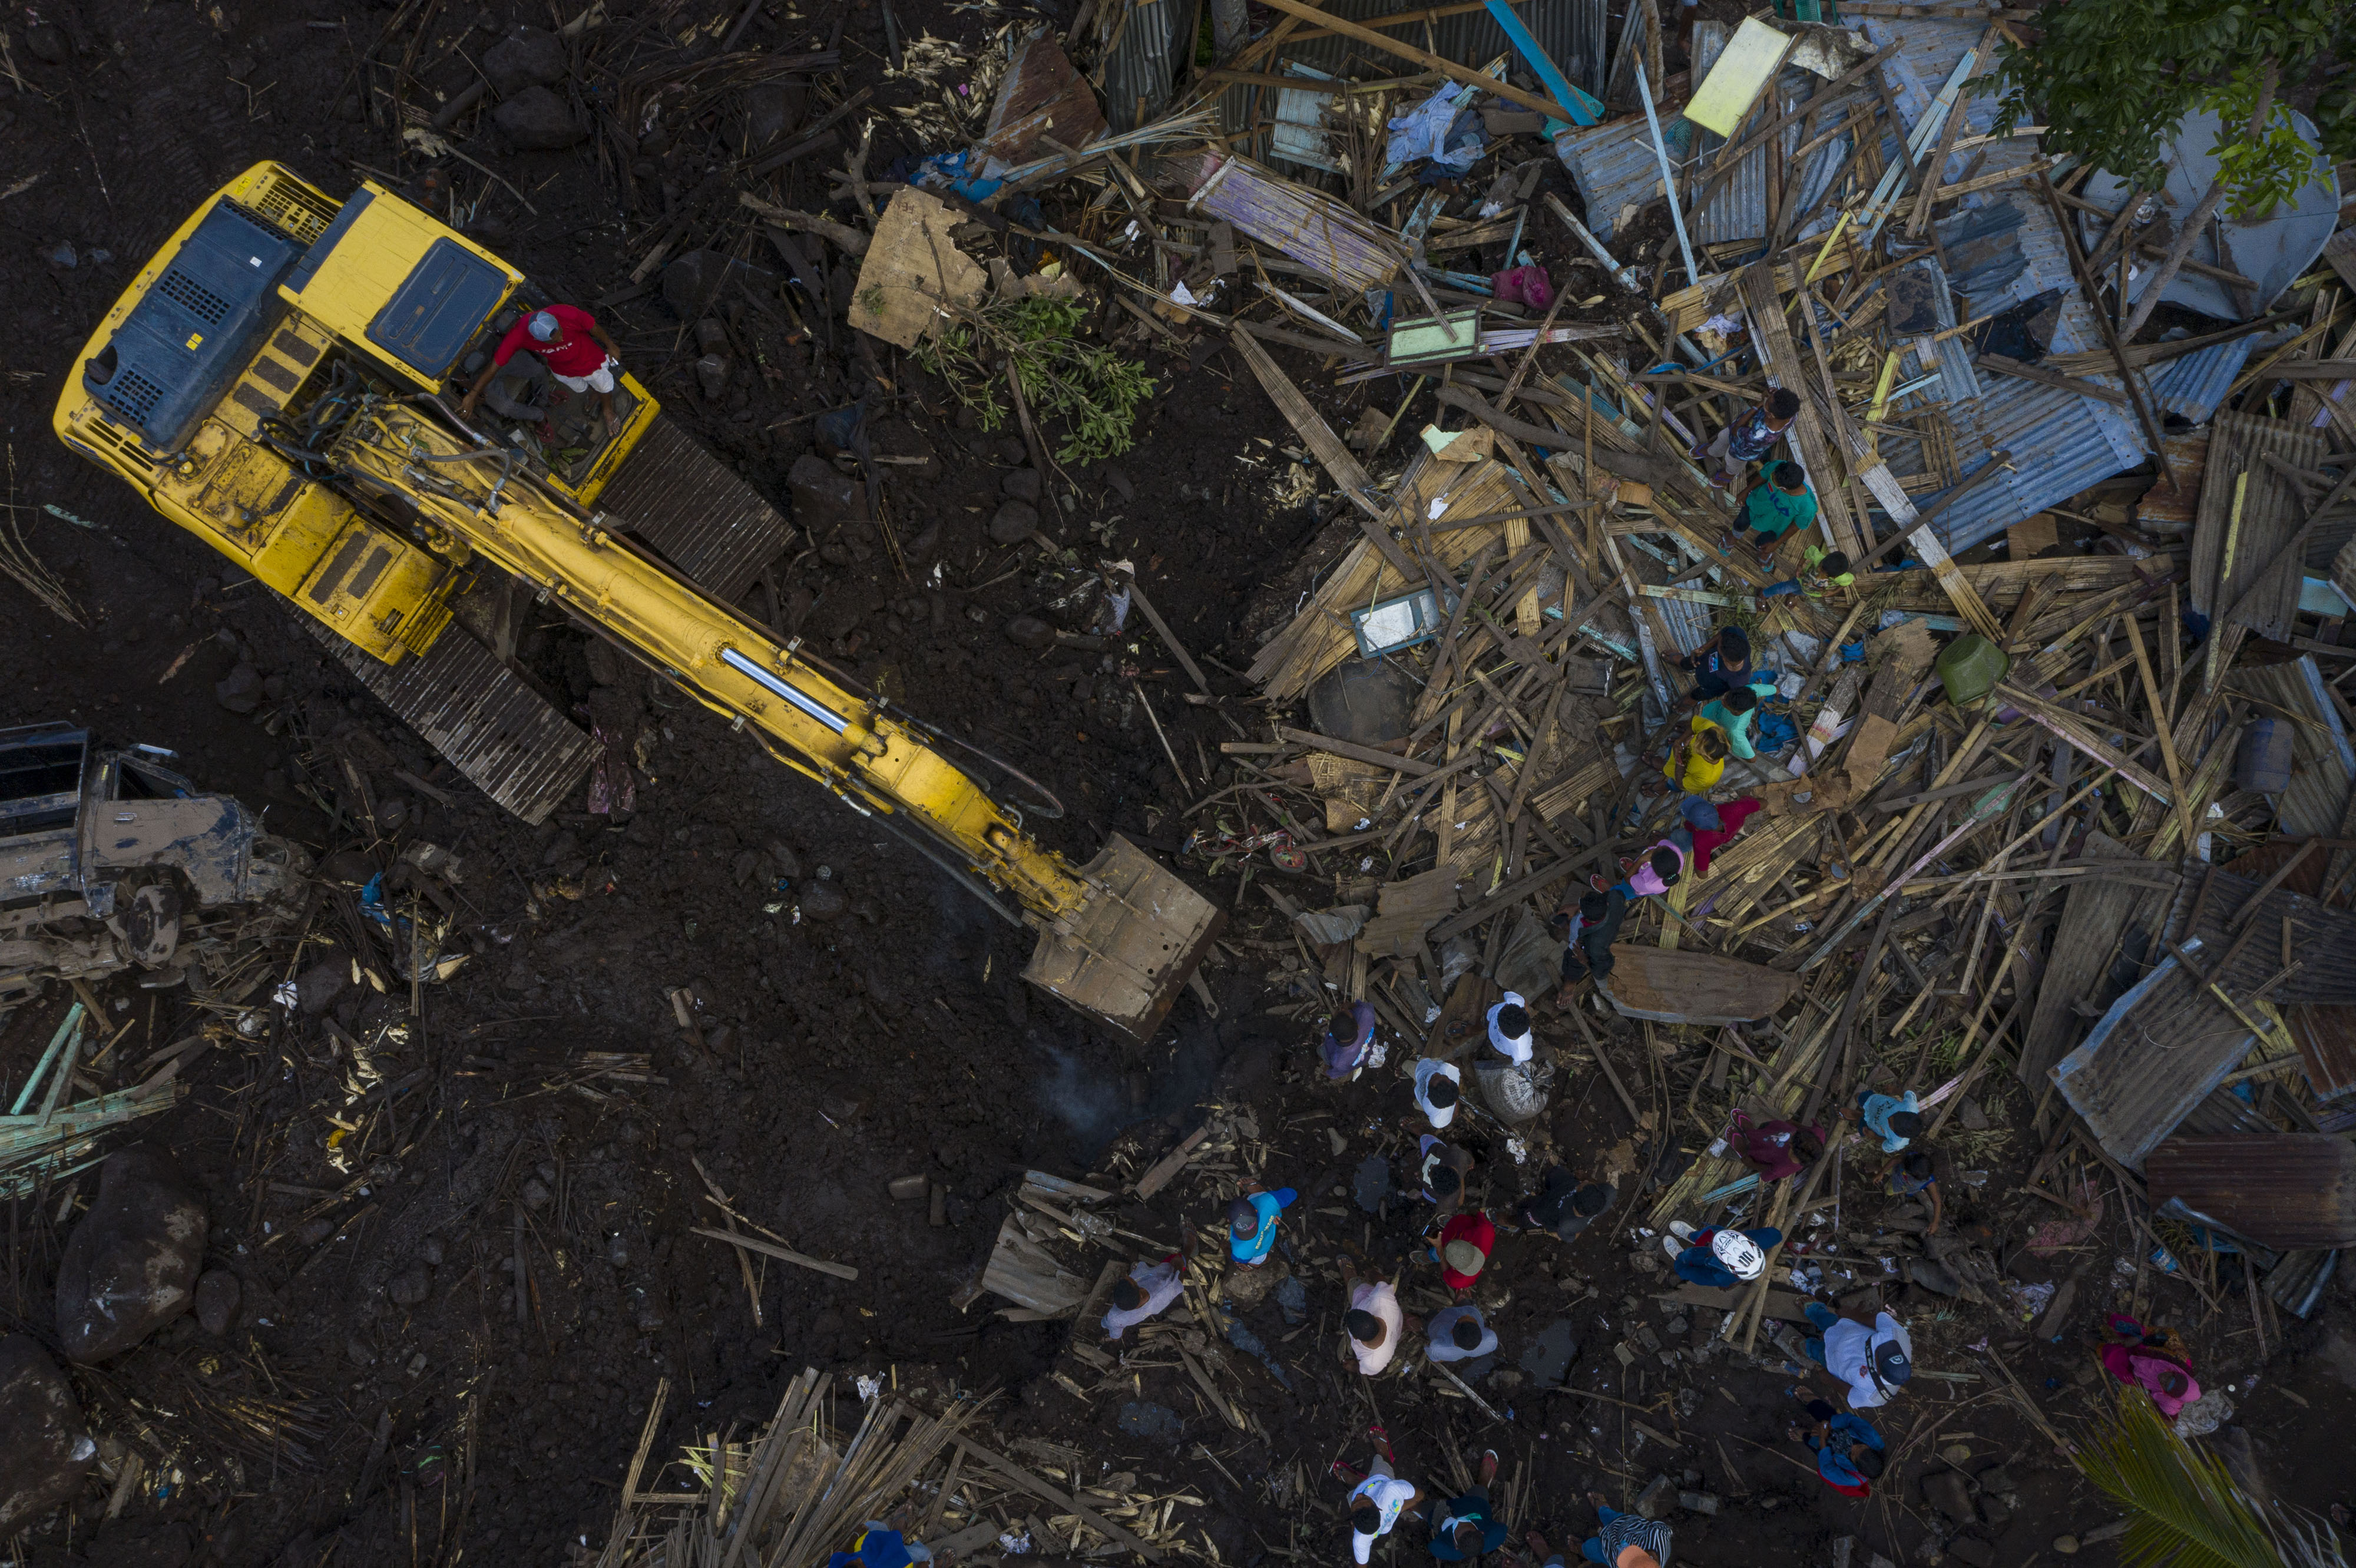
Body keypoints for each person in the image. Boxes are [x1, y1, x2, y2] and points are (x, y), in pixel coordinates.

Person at [461, 305, 626, 437]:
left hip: (589, 361)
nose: (561, 338)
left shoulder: (565, 313)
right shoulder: (519, 335)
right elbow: (494, 366)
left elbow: (591, 325)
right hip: (562, 369)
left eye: (561, 332)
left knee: (604, 384)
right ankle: (594, 392)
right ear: (536, 339)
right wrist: (472, 395)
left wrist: (610, 344)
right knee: (581, 388)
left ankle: (608, 410)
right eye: (554, 340)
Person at [1801, 1299, 1914, 1410]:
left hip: (1832, 1361)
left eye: (1881, 1355)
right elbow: (1873, 1320)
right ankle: (1815, 1312)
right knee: (1828, 1320)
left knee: (1815, 1351)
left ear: (1879, 1372)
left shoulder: (1876, 1397)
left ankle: (1807, 1346)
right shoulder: (1898, 1336)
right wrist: (1850, 1314)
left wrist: (1830, 1379)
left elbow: (1849, 1393)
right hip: (1845, 1330)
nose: (1881, 1349)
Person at [1690, 386, 1800, 489]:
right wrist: (1768, 395)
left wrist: (1757, 406)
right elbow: (1767, 399)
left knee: (1732, 462)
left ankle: (1728, 476)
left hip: (1742, 450)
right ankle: (1713, 451)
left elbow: (1736, 430)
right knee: (1722, 439)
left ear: (1771, 415)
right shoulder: (1790, 414)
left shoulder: (1759, 435)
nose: (1766, 399)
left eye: (1767, 402)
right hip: (1744, 433)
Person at [2097, 1314, 2201, 1418]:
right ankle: (2106, 1318)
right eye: (2169, 1376)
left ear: (2167, 1393)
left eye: (2165, 1385)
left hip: (2138, 1374)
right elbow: (2171, 1334)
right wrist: (2145, 1335)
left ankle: (2096, 1345)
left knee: (2111, 1356)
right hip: (2145, 1348)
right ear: (2176, 1372)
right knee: (2120, 1324)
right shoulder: (2181, 1359)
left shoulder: (2169, 1401)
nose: (2163, 1378)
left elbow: (2168, 1416)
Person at [1786, 1390, 1885, 1497]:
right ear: (1871, 1448)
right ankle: (1813, 1401)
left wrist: (1823, 1439)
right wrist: (1829, 1425)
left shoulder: (1853, 1479)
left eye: (1853, 1454)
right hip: (1838, 1427)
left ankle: (1804, 1434)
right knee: (1823, 1412)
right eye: (1861, 1446)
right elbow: (1850, 1420)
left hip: (1829, 1449)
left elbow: (1827, 1468)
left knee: (1811, 1441)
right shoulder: (1872, 1438)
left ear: (1856, 1467)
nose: (1853, 1447)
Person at [1726, 461, 1818, 560]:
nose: (1772, 476)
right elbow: (1763, 476)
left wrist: (1776, 544)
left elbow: (1796, 527)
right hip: (1754, 504)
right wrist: (1746, 491)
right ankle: (1734, 535)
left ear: (1782, 489)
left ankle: (1764, 552)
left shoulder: (1808, 507)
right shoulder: (1779, 468)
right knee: (1742, 520)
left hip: (1774, 527)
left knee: (1766, 543)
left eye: (1773, 480)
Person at [1428, 1450, 1508, 1562]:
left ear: (1456, 1546)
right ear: (1482, 1533)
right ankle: (1485, 1481)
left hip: (1438, 1516)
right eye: (1465, 1524)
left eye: (1458, 1528)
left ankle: (1415, 1507)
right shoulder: (1491, 1539)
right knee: (1481, 1490)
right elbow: (1502, 1529)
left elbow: (1433, 1547)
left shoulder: (1448, 1551)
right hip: (1474, 1504)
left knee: (1424, 1509)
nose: (1459, 1522)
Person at [1347, 1452, 1425, 1564]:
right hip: (1380, 1478)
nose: (1359, 1496)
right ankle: (1384, 1454)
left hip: (1383, 1509)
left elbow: (1361, 1564)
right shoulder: (1391, 1490)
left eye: (1357, 1502)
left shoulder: (1360, 1540)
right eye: (1364, 1498)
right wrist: (1401, 1506)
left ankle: (1358, 1480)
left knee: (1350, 1496)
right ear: (1378, 1508)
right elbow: (1420, 1495)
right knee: (1380, 1458)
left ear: (1353, 1524)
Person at [1554, 889, 1627, 1002]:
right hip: (1598, 928)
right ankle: (1568, 928)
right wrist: (1579, 906)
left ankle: (1570, 984)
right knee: (1575, 930)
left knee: (1574, 960)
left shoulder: (1594, 945)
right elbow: (1615, 894)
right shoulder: (1615, 899)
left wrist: (1584, 961)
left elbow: (1601, 972)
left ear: (1586, 917)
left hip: (1584, 947)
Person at [1565, 1493, 1673, 1567]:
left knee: (1590, 1549)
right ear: (1652, 1558)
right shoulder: (1659, 1536)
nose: (1626, 1553)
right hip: (1625, 1525)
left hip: (1609, 1554)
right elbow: (1661, 1527)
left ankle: (1581, 1549)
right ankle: (1603, 1509)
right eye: (1633, 1557)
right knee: (1609, 1515)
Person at [1662, 1222, 1780, 1288]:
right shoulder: (1765, 1239)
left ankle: (1679, 1256)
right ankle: (1692, 1236)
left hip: (1702, 1257)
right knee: (1706, 1234)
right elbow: (1776, 1235)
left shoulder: (1721, 1277)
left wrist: (1680, 1266)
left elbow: (1694, 1275)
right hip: (1715, 1234)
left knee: (1689, 1256)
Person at [1341, 1261, 1407, 1375]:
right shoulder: (1381, 1298)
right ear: (1373, 1317)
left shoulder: (1371, 1362)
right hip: (1396, 1326)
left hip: (1360, 1295)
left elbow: (1362, 1369)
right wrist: (1371, 1273)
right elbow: (1381, 1281)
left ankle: (1349, 1272)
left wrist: (1355, 1367)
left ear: (1356, 1338)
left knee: (1353, 1283)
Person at [1724, 1109, 1824, 1183]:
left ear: (1793, 1149)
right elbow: (1806, 1128)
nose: (1790, 1137)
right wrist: (1793, 1123)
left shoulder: (1784, 1168)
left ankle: (1744, 1150)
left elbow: (1767, 1171)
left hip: (1766, 1151)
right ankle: (1750, 1130)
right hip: (1775, 1132)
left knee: (1753, 1152)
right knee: (1762, 1133)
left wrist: (1751, 1164)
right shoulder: (1818, 1134)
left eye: (1791, 1140)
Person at [1101, 1253, 1186, 1340]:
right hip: (1166, 1271)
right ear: (1141, 1293)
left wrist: (1117, 1334)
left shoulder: (1115, 1316)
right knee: (1180, 1257)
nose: (1129, 1276)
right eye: (1134, 1282)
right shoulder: (1162, 1293)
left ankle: (1105, 1324)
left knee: (1110, 1325)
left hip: (1119, 1322)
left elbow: (1115, 1335)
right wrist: (1180, 1264)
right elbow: (1178, 1284)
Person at [1521, 1167, 1615, 1243]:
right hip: (1566, 1185)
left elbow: (1572, 1238)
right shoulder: (1609, 1193)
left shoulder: (1567, 1225)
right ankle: (1547, 1186)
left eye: (1582, 1185)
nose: (1585, 1181)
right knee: (1554, 1172)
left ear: (1575, 1199)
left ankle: (1514, 1220)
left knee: (1525, 1217)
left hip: (1549, 1211)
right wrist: (1585, 1177)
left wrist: (1558, 1235)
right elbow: (1594, 1185)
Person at [1672, 626, 1751, 709]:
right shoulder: (1738, 634)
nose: (1717, 644)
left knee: (1701, 693)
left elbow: (1724, 696)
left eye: (1718, 648)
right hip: (1703, 660)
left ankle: (1693, 698)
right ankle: (1683, 663)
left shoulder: (1739, 681)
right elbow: (1722, 634)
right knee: (1689, 662)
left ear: (1724, 659)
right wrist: (1703, 649)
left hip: (1709, 686)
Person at [1697, 683, 1778, 762]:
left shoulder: (1735, 732)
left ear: (1736, 713)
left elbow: (1752, 759)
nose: (1722, 701)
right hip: (1708, 714)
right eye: (1726, 696)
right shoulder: (1750, 691)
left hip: (1711, 720)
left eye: (1726, 704)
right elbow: (1776, 689)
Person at [1686, 797, 1763, 877]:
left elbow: (1703, 875)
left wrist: (1697, 862)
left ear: (1697, 828)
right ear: (1716, 808)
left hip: (1710, 840)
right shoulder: (1735, 809)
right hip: (1731, 832)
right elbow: (1764, 803)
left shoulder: (1701, 841)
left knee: (1684, 837)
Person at [1228, 1180, 1298, 1266]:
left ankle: (1258, 1264)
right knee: (1262, 1200)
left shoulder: (1241, 1252)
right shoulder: (1267, 1204)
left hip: (1258, 1250)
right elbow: (1292, 1193)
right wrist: (1273, 1211)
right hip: (1268, 1226)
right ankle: (1260, 1191)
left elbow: (1238, 1259)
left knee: (1255, 1261)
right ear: (1255, 1211)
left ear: (1229, 1221)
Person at [1659, 718, 1729, 795]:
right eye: (1698, 736)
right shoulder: (1711, 729)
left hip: (1676, 776)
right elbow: (1695, 726)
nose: (1694, 739)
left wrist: (1680, 759)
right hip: (1676, 754)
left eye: (1697, 742)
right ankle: (1664, 766)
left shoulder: (1705, 779)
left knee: (1672, 785)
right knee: (1669, 754)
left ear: (1705, 756)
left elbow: (1680, 784)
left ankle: (1666, 785)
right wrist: (1678, 743)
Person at [1592, 843, 1683, 901]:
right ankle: (1637, 870)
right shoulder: (1676, 853)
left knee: (1625, 892)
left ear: (1653, 865)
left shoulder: (1647, 884)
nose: (1658, 847)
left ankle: (1612, 891)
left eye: (1654, 852)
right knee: (1636, 870)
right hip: (1645, 877)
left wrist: (1641, 860)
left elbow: (1627, 879)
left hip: (1636, 887)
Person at [1762, 547, 1854, 602]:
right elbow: (1808, 550)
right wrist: (1800, 566)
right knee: (1783, 589)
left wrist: (1833, 592)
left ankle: (1792, 595)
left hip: (1813, 592)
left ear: (1834, 577)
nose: (1819, 570)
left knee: (1800, 592)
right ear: (1825, 558)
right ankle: (1764, 594)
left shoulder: (1842, 578)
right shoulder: (1817, 557)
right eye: (1820, 567)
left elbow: (1847, 582)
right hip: (1800, 581)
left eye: (1823, 573)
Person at [1849, 1086, 1924, 1155]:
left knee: (1862, 1130)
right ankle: (1860, 1113)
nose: (1888, 1118)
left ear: (1899, 1135)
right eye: (1895, 1114)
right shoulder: (1910, 1106)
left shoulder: (1897, 1143)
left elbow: (1885, 1143)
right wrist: (1894, 1089)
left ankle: (1859, 1115)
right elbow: (1906, 1095)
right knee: (1858, 1097)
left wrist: (1874, 1136)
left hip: (1872, 1124)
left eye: (1890, 1123)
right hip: (1876, 1102)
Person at [1886, 1149, 1944, 1235]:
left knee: (1889, 1191)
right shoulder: (1910, 1159)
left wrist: (1935, 1222)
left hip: (1900, 1185)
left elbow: (1937, 1201)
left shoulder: (1928, 1182)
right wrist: (1881, 1173)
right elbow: (1895, 1160)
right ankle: (1882, 1170)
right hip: (1896, 1171)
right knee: (1885, 1163)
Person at [1434, 1210, 1495, 1291]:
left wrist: (1439, 1249)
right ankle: (1449, 1225)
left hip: (1454, 1231)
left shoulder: (1457, 1281)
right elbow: (1479, 1215)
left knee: (1434, 1254)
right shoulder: (1486, 1232)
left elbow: (1446, 1272)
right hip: (1460, 1224)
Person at [826, 1522, 933, 1568]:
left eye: (852, 1562)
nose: (859, 1559)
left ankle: (897, 1532)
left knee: (870, 1525)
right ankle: (898, 1533)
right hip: (898, 1561)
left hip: (873, 1545)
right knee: (926, 1556)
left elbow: (843, 1555)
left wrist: (855, 1535)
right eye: (860, 1564)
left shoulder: (840, 1565)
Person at [1418, 1136, 1476, 1216]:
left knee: (1425, 1139)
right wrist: (1461, 1177)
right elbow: (1471, 1163)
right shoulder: (1459, 1157)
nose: (1432, 1166)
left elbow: (1459, 1203)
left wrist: (1460, 1175)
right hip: (1433, 1153)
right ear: (1453, 1168)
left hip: (1431, 1149)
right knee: (1427, 1195)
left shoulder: (1447, 1201)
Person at [1425, 1303, 1500, 1364]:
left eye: (1460, 1319)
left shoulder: (1437, 1347)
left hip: (1440, 1321)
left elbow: (1435, 1359)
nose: (1468, 1315)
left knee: (1429, 1316)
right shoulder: (1491, 1340)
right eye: (1471, 1318)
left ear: (1452, 1331)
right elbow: (1438, 1360)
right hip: (1457, 1355)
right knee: (1466, 1303)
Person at [1323, 1000, 1378, 1081]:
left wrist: (1327, 1073)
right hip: (1366, 1055)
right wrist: (1348, 1006)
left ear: (1332, 1034)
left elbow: (1332, 1074)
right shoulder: (1366, 1014)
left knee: (1322, 1052)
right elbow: (1361, 1005)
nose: (1342, 1010)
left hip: (1348, 1062)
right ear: (1357, 1026)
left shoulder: (1338, 1062)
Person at [1414, 1058, 1464, 1129]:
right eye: (1443, 1076)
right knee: (1406, 1065)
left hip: (1421, 1073)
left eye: (1433, 1077)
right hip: (1426, 1068)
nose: (1436, 1074)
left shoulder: (1438, 1119)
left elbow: (1453, 1116)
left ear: (1427, 1095)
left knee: (1415, 1104)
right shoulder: (1449, 1071)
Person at [1486, 995, 1534, 1065]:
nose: (1506, 1005)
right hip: (1499, 1047)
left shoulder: (1514, 1002)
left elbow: (1509, 995)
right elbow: (1517, 1062)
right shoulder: (1521, 1052)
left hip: (1492, 1028)